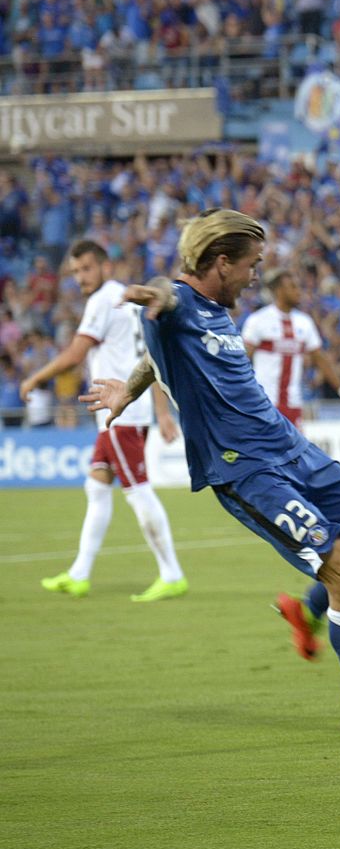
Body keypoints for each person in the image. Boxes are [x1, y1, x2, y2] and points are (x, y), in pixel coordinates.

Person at [79, 210, 340, 743]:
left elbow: (160, 360)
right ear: (221, 262)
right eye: (252, 264)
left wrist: (130, 386)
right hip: (247, 472)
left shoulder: (215, 312)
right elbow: (164, 295)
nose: (256, 276)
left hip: (292, 447)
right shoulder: (177, 302)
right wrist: (157, 295)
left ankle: (309, 612)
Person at [23, 239, 188, 603]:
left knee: (138, 491)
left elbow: (75, 354)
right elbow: (150, 357)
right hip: (126, 412)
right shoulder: (128, 302)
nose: (81, 277)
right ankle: (79, 574)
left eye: (86, 269)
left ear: (105, 267)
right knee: (96, 487)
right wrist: (161, 412)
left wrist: (35, 378)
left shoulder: (103, 300)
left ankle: (172, 574)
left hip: (120, 414)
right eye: (75, 271)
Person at [240, 268, 340, 427]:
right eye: (293, 287)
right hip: (264, 404)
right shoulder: (258, 320)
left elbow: (322, 360)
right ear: (279, 291)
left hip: (293, 406)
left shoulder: (304, 322)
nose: (299, 291)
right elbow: (242, 361)